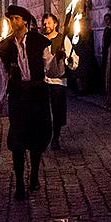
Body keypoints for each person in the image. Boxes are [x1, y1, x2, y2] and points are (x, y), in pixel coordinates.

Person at [0, 5, 54, 201]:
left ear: (25, 21)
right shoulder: (5, 46)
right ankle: (19, 183)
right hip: (18, 98)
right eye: (11, 19)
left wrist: (59, 58)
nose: (14, 22)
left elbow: (50, 68)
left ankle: (34, 176)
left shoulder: (40, 41)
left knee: (36, 140)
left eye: (17, 18)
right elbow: (1, 76)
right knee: (17, 142)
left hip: (37, 96)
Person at [41, 13, 78, 149]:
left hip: (58, 81)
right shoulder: (40, 40)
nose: (46, 26)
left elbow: (73, 61)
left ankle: (55, 137)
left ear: (55, 24)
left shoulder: (63, 40)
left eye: (49, 23)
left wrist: (67, 59)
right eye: (44, 23)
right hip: (43, 81)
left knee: (57, 111)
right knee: (43, 112)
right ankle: (45, 137)